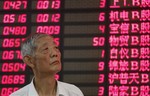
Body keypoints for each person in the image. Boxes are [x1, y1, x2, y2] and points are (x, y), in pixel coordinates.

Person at [10, 33, 84, 96]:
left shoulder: (73, 93)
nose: (55, 53)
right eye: (46, 49)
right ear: (30, 61)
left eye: (56, 47)